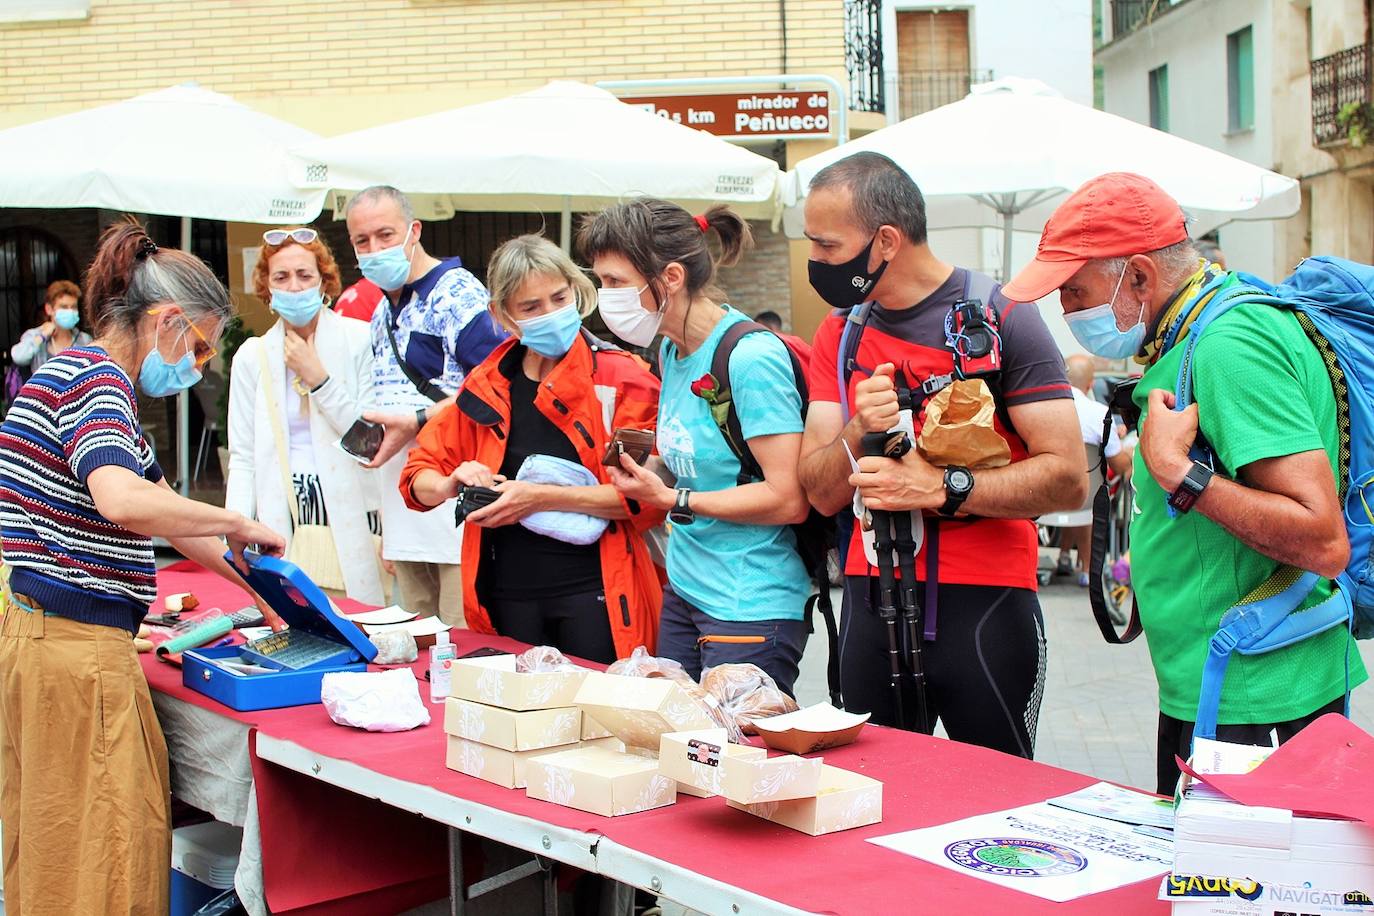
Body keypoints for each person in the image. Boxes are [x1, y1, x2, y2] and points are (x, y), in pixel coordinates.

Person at [1001, 172, 1365, 794]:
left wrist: (1180, 474)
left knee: (1237, 890)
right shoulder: (1192, 333)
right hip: (1224, 683)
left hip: (1258, 700)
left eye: (1075, 291)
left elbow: (1322, 538)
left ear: (1139, 276)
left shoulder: (1230, 345)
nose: (1065, 311)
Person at [0, 220, 285, 916]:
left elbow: (163, 507)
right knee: (109, 850)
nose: (197, 365)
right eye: (197, 345)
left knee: (54, 848)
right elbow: (122, 500)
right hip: (76, 654)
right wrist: (234, 519)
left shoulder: (71, 376)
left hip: (42, 644)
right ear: (165, 321)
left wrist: (270, 594)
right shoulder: (98, 380)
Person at [797, 152, 1086, 757]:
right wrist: (856, 430)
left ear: (885, 241)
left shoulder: (1003, 317)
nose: (815, 263)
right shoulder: (839, 332)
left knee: (999, 799)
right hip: (870, 596)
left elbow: (1066, 479)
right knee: (869, 802)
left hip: (985, 601)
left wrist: (941, 487)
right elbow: (818, 491)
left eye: (826, 246)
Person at [581, 200, 812, 695]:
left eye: (616, 282)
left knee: (733, 759)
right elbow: (702, 463)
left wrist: (674, 500)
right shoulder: (671, 348)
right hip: (686, 589)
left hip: (748, 599)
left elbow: (787, 497)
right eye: (601, 282)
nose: (606, 298)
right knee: (677, 749)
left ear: (670, 277)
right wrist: (652, 473)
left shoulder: (750, 359)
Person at [400, 235, 663, 662]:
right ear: (502, 315)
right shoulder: (487, 385)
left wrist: (537, 497)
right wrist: (453, 481)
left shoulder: (622, 380)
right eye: (531, 307)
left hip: (597, 593)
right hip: (503, 597)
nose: (551, 314)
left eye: (559, 298)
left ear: (577, 291)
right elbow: (417, 479)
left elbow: (647, 502)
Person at [346, 186, 507, 625]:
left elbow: (497, 386)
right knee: (412, 649)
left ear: (414, 231)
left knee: (461, 646)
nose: (375, 250)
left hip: (457, 510)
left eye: (385, 235)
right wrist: (386, 525)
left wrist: (417, 420)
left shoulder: (458, 295)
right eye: (363, 241)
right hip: (405, 511)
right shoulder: (382, 312)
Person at [226, 227, 386, 605]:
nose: (294, 287)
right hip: (282, 514)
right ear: (267, 288)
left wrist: (319, 379)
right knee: (291, 621)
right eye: (281, 277)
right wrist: (235, 522)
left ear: (324, 281)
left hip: (352, 513)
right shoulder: (253, 356)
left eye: (305, 275)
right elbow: (243, 456)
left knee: (355, 621)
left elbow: (372, 442)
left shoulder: (359, 339)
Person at [1054, 353, 1133, 586]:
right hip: (1085, 499)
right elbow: (1119, 466)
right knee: (1087, 489)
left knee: (1071, 485)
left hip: (1046, 496)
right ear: (1090, 385)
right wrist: (1130, 450)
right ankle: (1089, 569)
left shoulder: (1045, 411)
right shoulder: (1099, 414)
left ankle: (1065, 555)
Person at [10, 279, 94, 377]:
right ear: (49, 309)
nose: (70, 311)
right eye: (64, 307)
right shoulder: (35, 335)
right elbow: (19, 357)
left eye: (74, 307)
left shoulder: (84, 340)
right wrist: (42, 336)